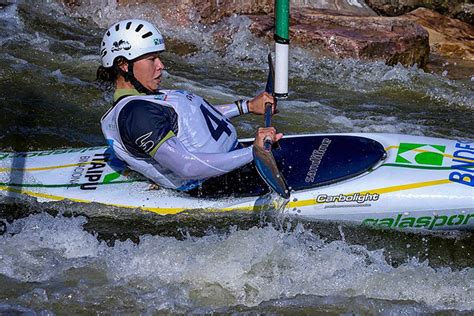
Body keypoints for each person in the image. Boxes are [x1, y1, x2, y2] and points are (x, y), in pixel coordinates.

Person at [98, 19, 282, 192]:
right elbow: (187, 167)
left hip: (236, 162)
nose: (161, 65)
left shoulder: (149, 97)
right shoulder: (137, 115)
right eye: (151, 59)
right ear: (123, 65)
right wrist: (255, 152)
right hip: (210, 187)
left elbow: (195, 120)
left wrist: (246, 106)